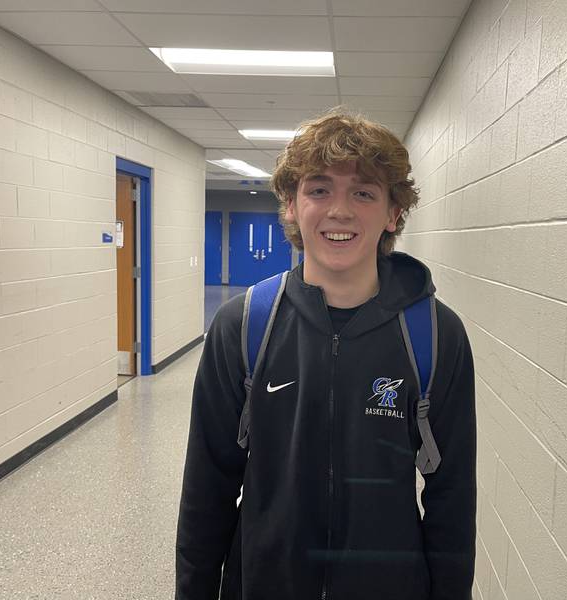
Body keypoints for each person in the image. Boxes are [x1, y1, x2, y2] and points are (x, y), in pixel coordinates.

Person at [175, 110, 477, 600]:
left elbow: (452, 498)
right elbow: (206, 491)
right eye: (319, 190)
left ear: (393, 213)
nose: (340, 210)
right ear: (291, 205)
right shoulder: (243, 326)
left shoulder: (435, 334)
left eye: (363, 192)